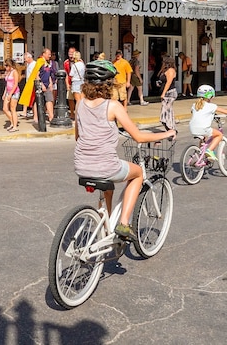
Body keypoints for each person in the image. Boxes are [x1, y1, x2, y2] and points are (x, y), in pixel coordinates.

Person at [74, 60, 176, 241]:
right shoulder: (113, 106)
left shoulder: (80, 104)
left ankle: (105, 225)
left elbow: (78, 137)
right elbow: (139, 137)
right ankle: (124, 223)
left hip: (81, 166)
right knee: (137, 174)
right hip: (106, 166)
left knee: (108, 186)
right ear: (108, 84)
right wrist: (166, 133)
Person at [188, 85, 227, 162]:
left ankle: (201, 154)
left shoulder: (194, 105)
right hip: (203, 128)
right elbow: (225, 111)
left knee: (204, 138)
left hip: (192, 128)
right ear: (210, 96)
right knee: (219, 135)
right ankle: (209, 150)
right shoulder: (211, 106)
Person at [159, 56, 179, 130]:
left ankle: (171, 128)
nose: (163, 63)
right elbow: (159, 76)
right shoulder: (166, 70)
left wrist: (163, 93)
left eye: (164, 62)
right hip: (167, 92)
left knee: (167, 111)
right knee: (165, 112)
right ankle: (169, 127)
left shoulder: (171, 70)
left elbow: (169, 82)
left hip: (170, 93)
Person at [1, 58, 21, 132]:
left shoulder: (14, 72)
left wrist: (11, 94)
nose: (5, 67)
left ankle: (15, 126)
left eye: (6, 66)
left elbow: (15, 84)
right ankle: (13, 121)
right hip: (8, 92)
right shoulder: (8, 72)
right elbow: (7, 84)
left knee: (13, 109)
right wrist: (4, 93)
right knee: (5, 108)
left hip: (14, 92)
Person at [38, 48, 56, 122]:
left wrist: (51, 83)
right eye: (48, 54)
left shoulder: (48, 63)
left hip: (47, 84)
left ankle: (51, 117)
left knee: (50, 100)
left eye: (50, 54)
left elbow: (49, 74)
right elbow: (36, 75)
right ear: (43, 54)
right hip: (41, 85)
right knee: (38, 102)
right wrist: (41, 84)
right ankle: (37, 118)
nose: (49, 55)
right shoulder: (40, 62)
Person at [69, 50, 86, 119]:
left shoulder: (74, 65)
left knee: (77, 100)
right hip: (82, 82)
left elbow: (71, 74)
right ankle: (83, 115)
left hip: (76, 82)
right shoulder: (82, 64)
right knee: (82, 100)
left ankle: (77, 115)